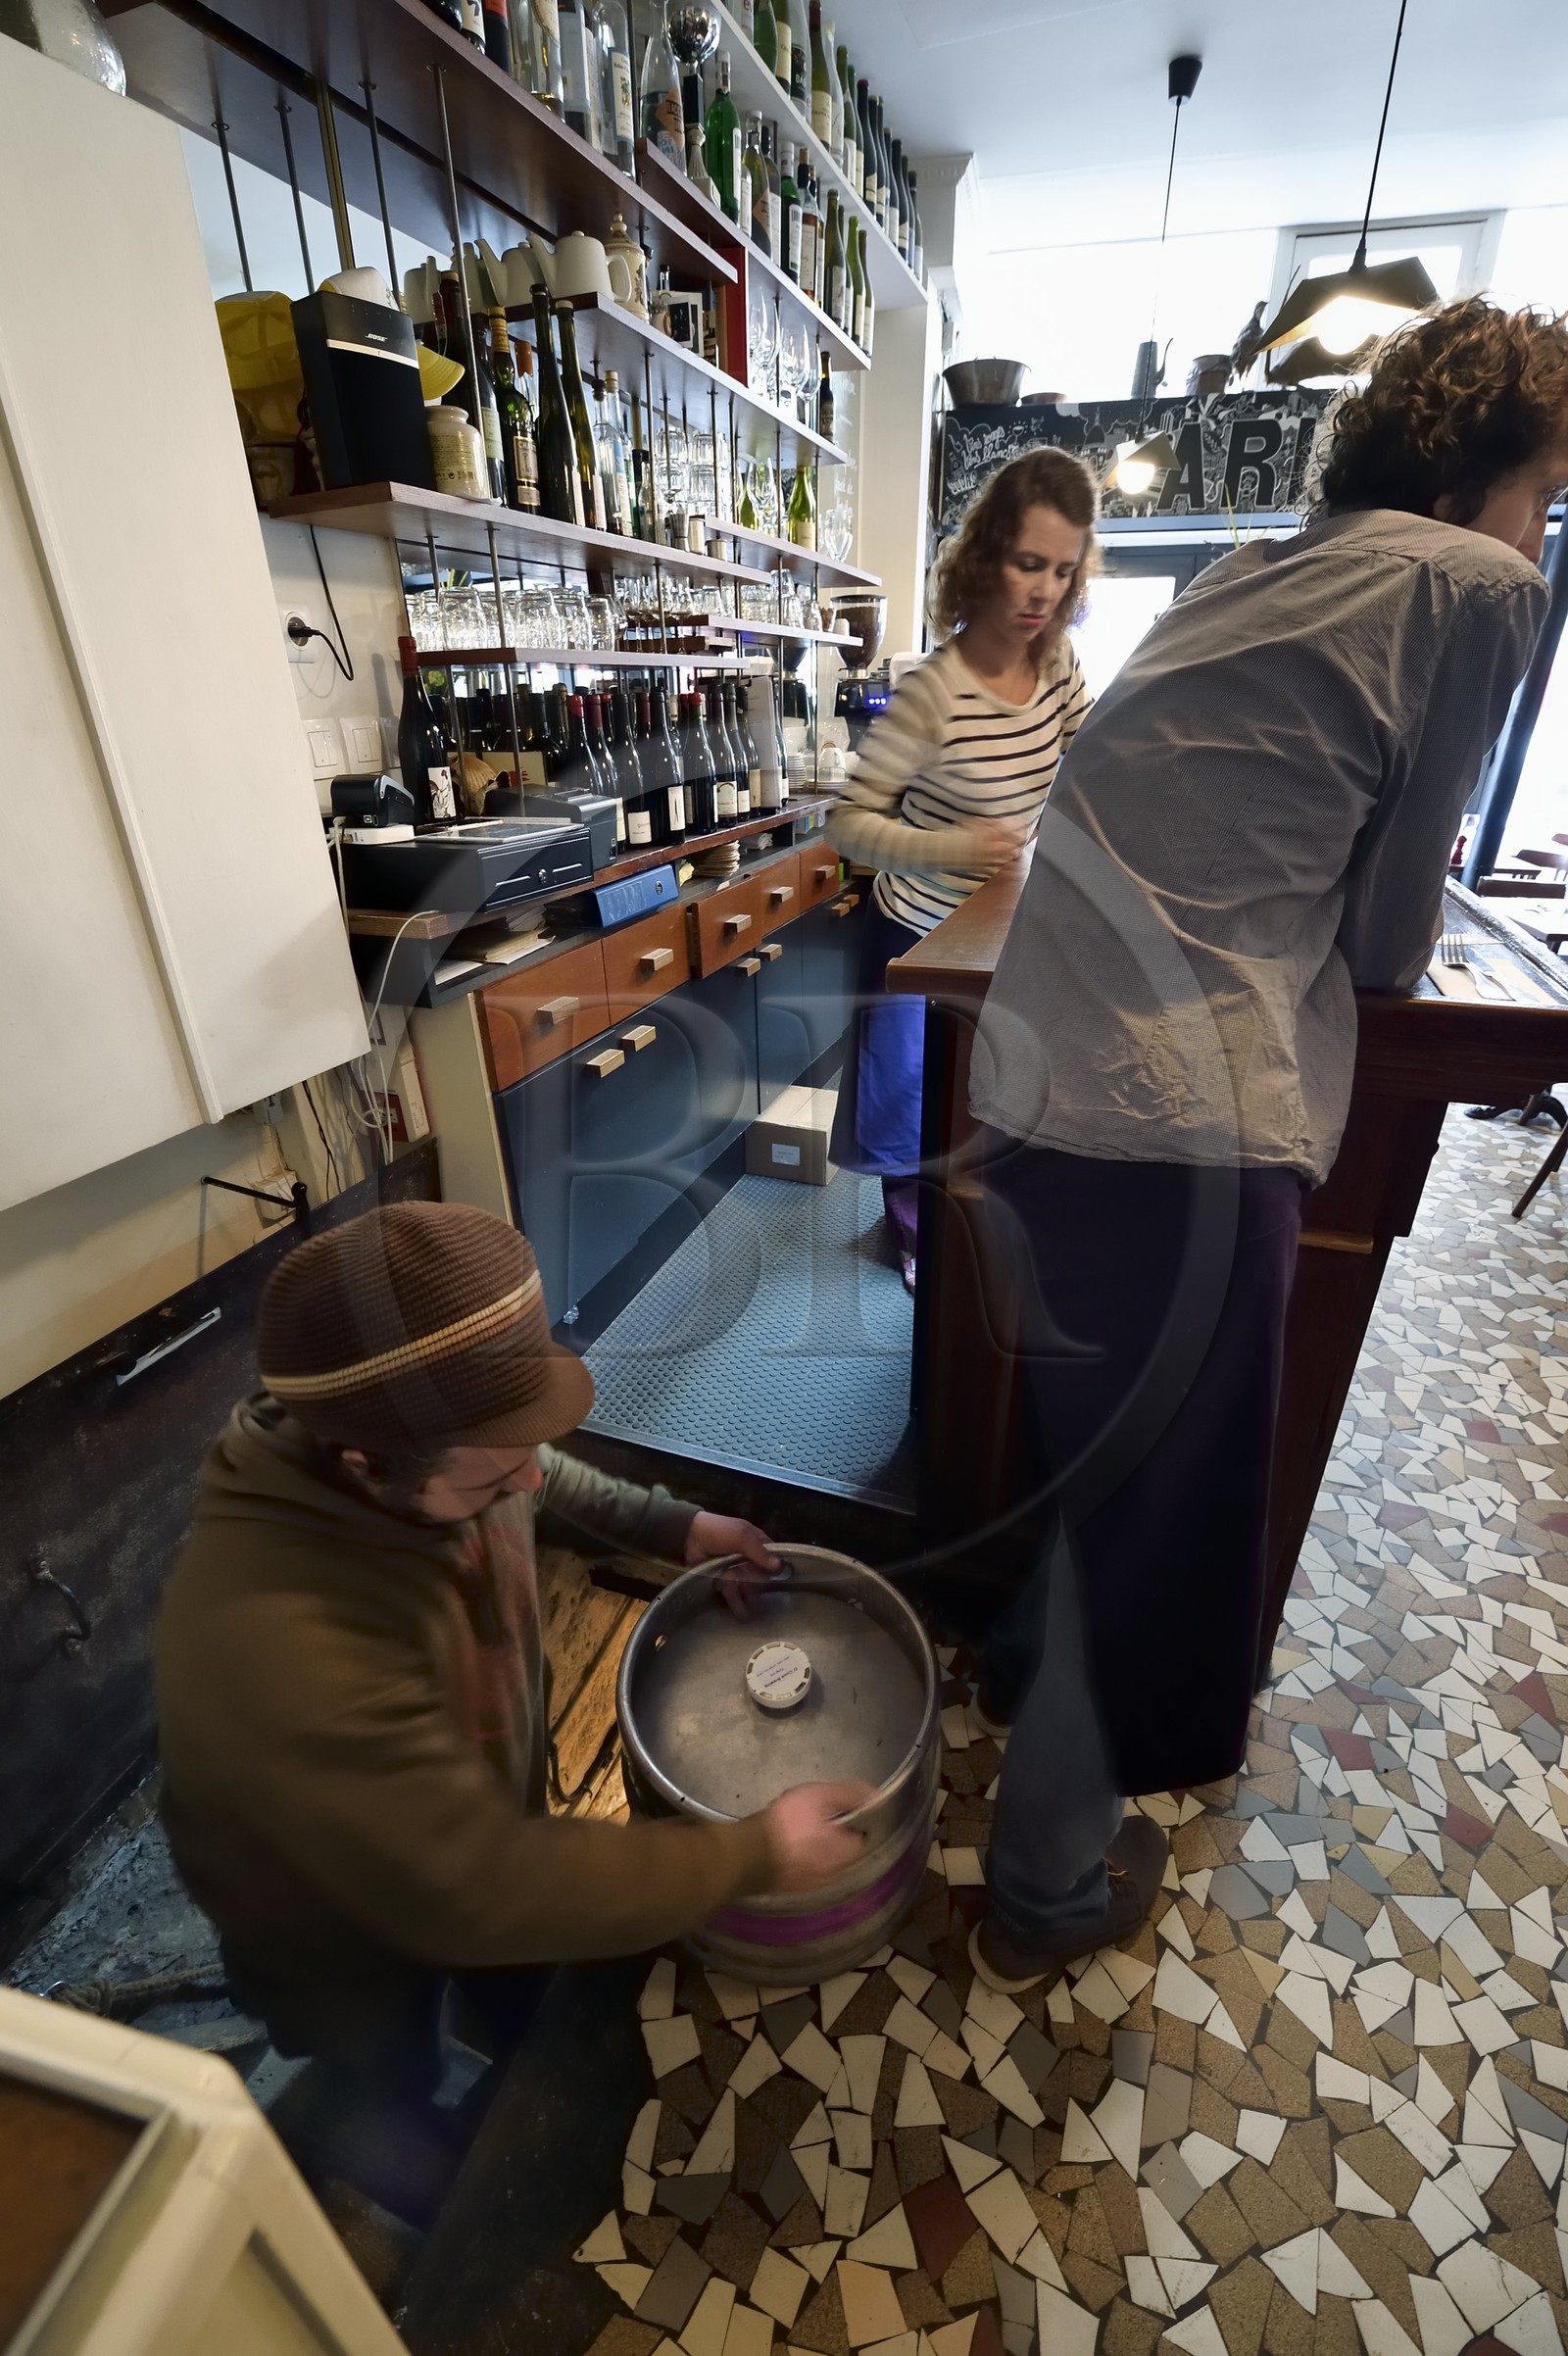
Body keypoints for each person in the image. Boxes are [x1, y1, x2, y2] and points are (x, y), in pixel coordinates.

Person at [964, 297, 1568, 1992]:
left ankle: (1017, 1691)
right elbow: (1383, 933)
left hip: (1027, 1104)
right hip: (1180, 1125)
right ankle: (1042, 1892)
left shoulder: (1249, 568)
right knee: (1156, 1534)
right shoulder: (1478, 586)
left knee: (1087, 1468)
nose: (1546, 527)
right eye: (1544, 488)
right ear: (1475, 477)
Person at [156, 1201, 871, 2218]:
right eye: (495, 1469)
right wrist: (751, 1854)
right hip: (343, 1937)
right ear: (366, 1467)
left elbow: (533, 1476)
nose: (527, 1477)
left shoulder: (412, 1455)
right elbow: (475, 1882)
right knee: (384, 2075)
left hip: (470, 1830)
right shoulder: (282, 1648)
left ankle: (501, 2048)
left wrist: (677, 1526)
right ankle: (389, 2167)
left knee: (516, 1976)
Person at [825, 449, 1098, 1291]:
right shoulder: (931, 692)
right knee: (910, 1097)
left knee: (994, 1090)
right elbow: (849, 828)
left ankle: (968, 1221)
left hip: (1008, 922)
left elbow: (1092, 768)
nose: (1043, 591)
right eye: (1027, 564)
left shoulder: (1058, 670)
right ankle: (914, 1232)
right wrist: (953, 847)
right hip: (918, 926)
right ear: (985, 558)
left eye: (1062, 569)